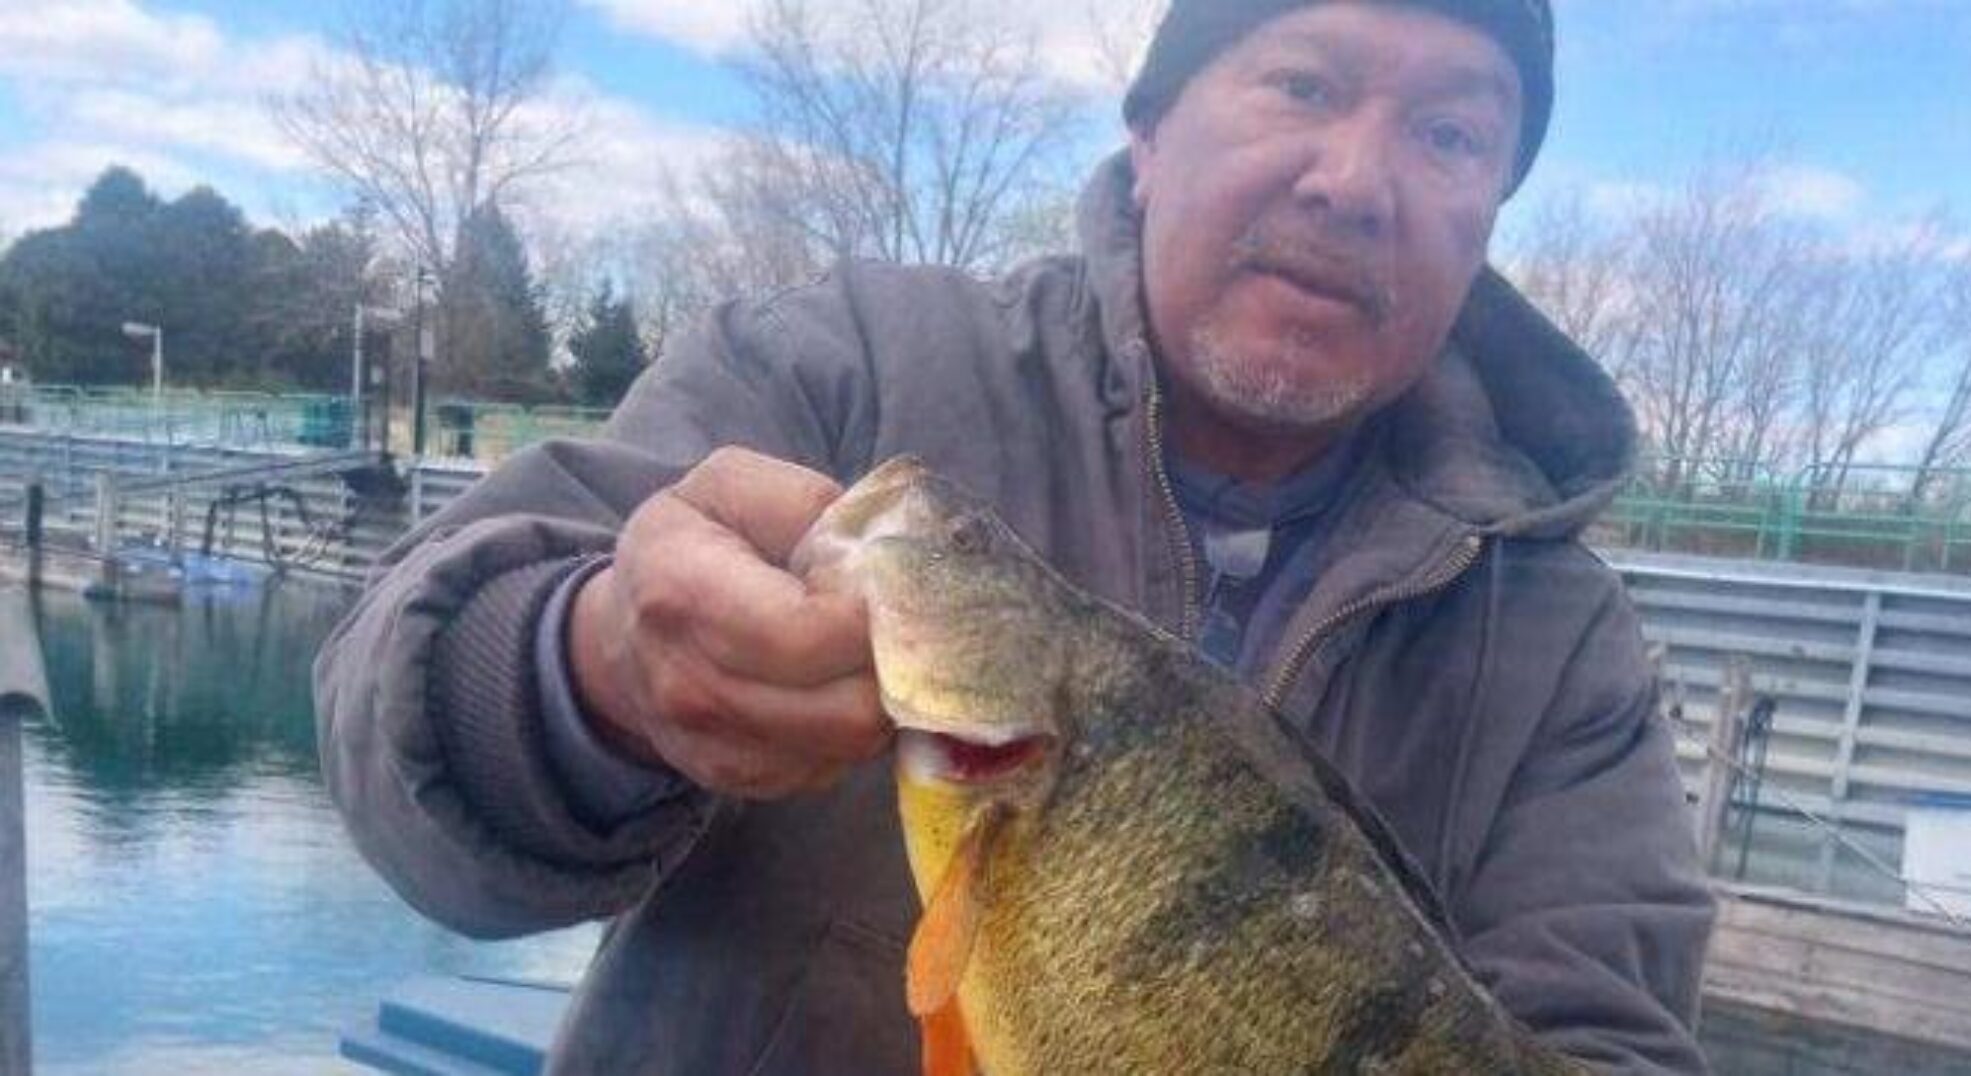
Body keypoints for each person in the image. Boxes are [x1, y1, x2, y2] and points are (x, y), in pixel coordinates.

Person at [315, 0, 1716, 1071]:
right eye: (1305, 83)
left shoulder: (1560, 647)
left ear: (1488, 222)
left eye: (1452, 133)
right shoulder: (848, 364)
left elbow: (1611, 1031)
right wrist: (594, 670)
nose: (1357, 180)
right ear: (1152, 132)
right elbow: (393, 743)